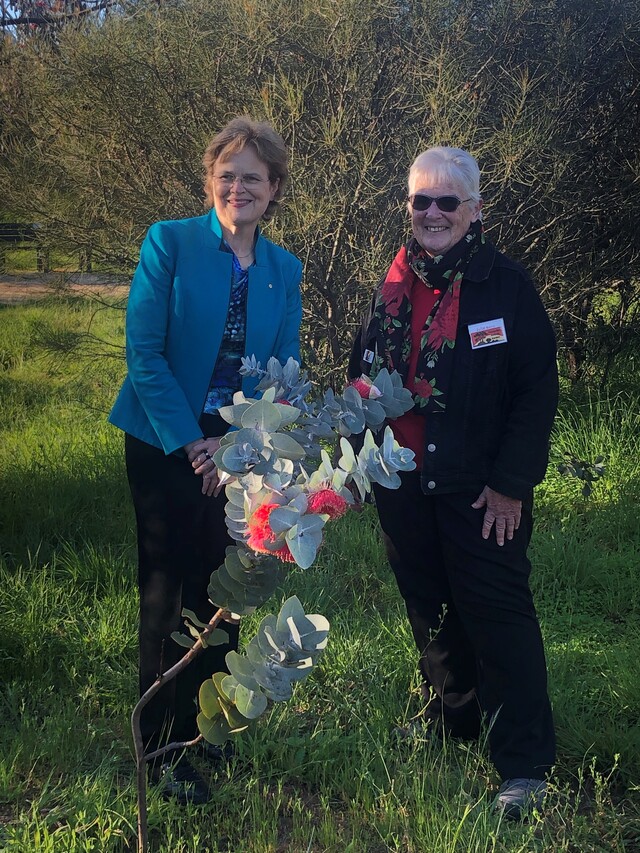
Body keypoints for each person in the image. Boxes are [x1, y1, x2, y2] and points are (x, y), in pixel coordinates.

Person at [349, 146, 558, 820]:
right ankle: (455, 718)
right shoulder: (390, 285)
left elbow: (535, 393)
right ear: (407, 206)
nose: (433, 213)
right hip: (402, 478)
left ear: (474, 210)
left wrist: (511, 483)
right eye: (422, 200)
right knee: (429, 607)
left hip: (480, 485)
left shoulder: (506, 287)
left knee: (497, 614)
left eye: (447, 201)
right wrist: (356, 465)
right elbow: (360, 380)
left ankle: (525, 763)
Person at [109, 117, 302, 804]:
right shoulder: (169, 242)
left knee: (226, 591)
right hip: (166, 442)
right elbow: (144, 354)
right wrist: (194, 442)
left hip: (241, 447)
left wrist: (237, 441)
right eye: (227, 175)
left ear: (273, 189)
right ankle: (160, 746)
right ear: (210, 182)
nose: (237, 188)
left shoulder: (284, 270)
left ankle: (204, 731)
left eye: (252, 177)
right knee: (168, 590)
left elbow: (284, 368)